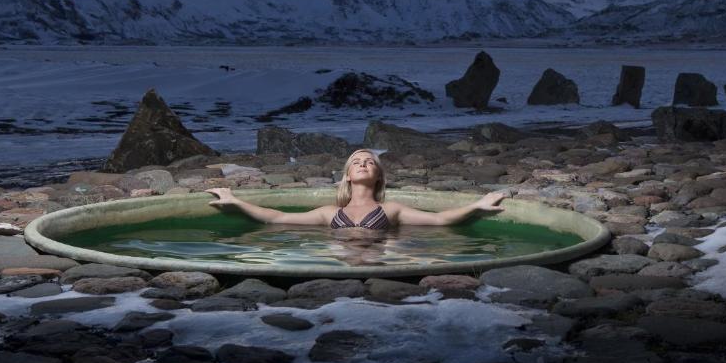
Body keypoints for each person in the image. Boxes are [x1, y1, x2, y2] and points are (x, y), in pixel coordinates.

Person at [206, 148, 508, 229]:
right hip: (338, 260)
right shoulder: (329, 213)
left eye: (370, 162)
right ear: (347, 176)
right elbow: (276, 218)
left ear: (378, 177)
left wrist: (476, 206)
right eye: (357, 162)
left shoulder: (391, 210)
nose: (363, 164)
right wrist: (235, 201)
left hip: (384, 260)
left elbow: (440, 220)